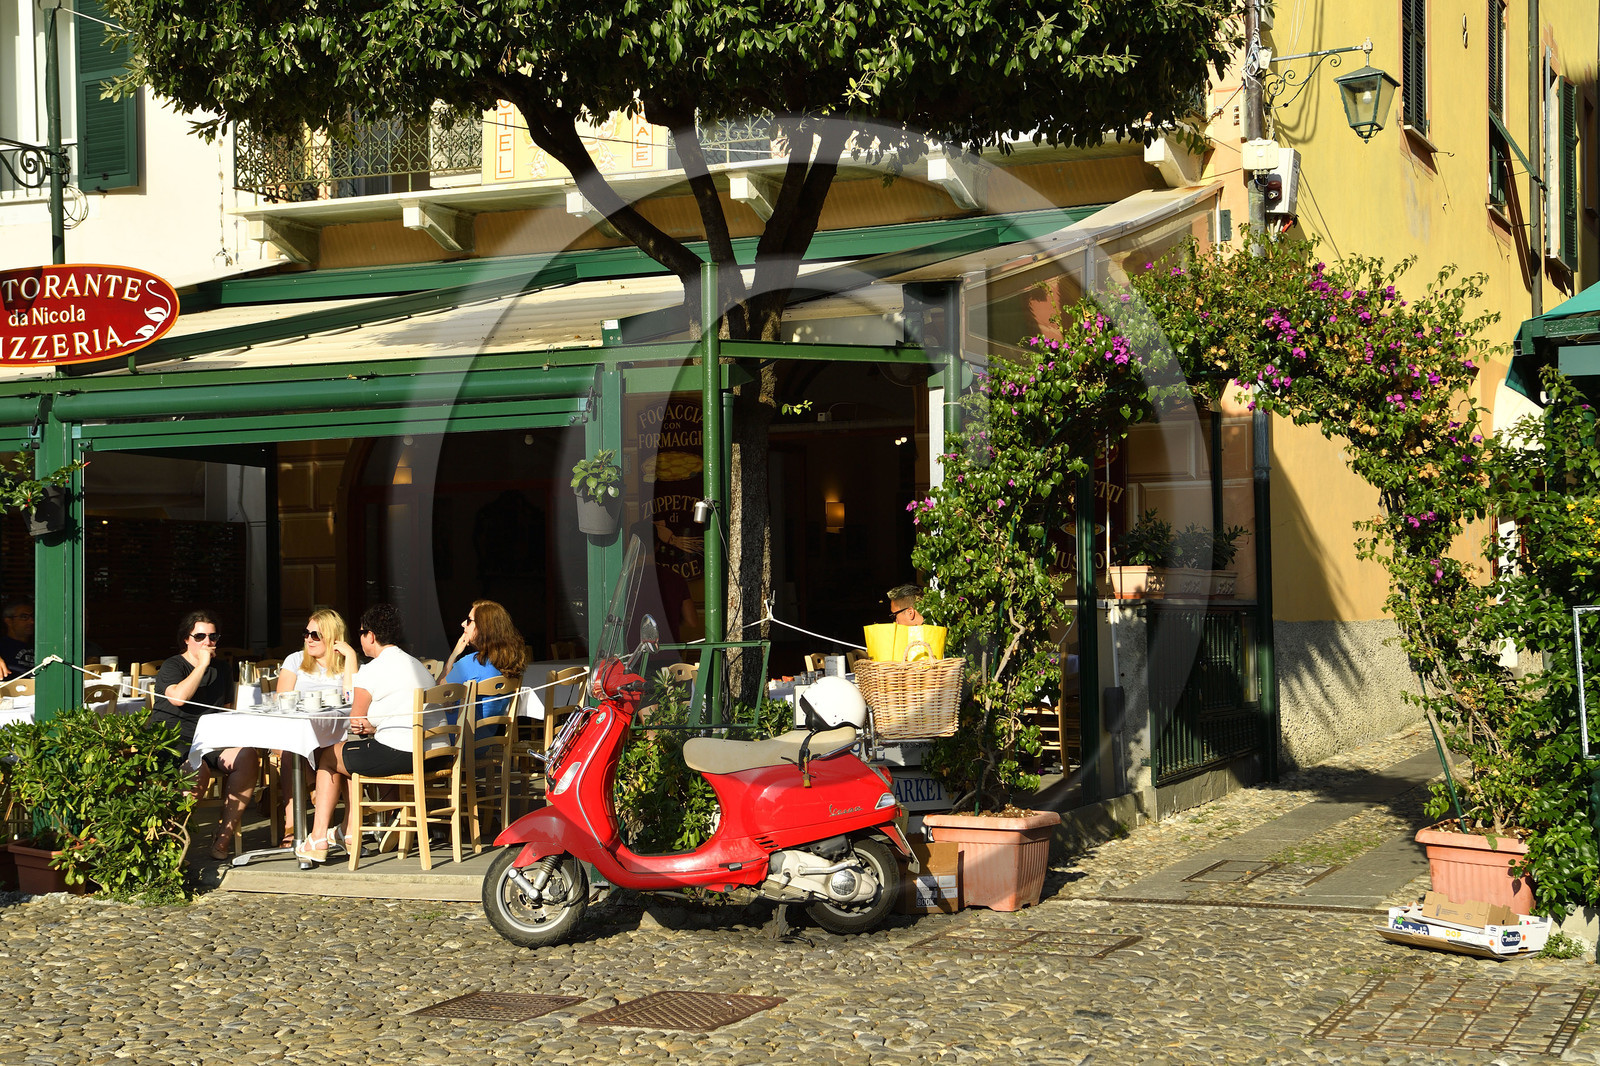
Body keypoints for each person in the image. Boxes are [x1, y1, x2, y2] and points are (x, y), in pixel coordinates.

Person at [297, 603, 435, 863]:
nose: (360, 638)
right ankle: (347, 832)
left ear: (370, 636)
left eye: (361, 633)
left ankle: (318, 838)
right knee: (348, 755)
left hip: (403, 753)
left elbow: (356, 721)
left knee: (329, 756)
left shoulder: (372, 669)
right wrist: (374, 724)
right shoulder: (417, 665)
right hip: (435, 753)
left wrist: (370, 724)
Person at [149, 610, 258, 861]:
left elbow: (226, 709)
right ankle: (171, 838)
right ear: (186, 639)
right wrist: (201, 666)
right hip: (174, 741)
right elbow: (178, 698)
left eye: (212, 637)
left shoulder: (222, 668)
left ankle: (223, 835)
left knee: (247, 757)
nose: (207, 642)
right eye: (200, 637)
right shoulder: (173, 665)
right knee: (198, 770)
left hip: (210, 740)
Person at [272, 608, 358, 847]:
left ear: (332, 638)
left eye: (316, 635)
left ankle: (347, 827)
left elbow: (352, 699)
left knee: (341, 754)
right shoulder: (295, 660)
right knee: (291, 752)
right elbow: (281, 700)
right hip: (297, 734)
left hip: (334, 735)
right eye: (306, 633)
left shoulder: (346, 664)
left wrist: (351, 657)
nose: (308, 639)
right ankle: (292, 824)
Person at [441, 599, 528, 739]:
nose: (463, 624)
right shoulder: (508, 663)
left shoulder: (470, 663)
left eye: (469, 620)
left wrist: (454, 655)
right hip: (485, 742)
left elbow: (438, 696)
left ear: (483, 628)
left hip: (454, 743)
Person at [0, 599, 36, 678]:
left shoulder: (39, 645)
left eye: (33, 616)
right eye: (24, 617)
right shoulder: (2, 646)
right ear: (8, 621)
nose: (31, 621)